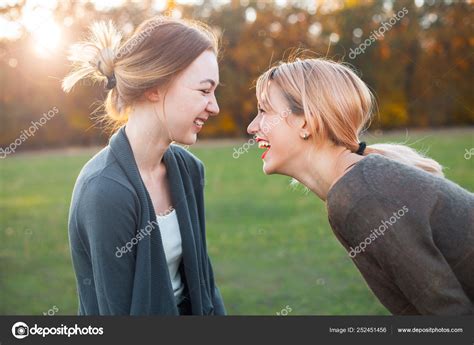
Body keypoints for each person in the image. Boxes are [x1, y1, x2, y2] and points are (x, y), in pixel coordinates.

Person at [247, 56, 474, 315]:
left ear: (306, 121)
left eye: (264, 111)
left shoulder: (361, 195)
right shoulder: (356, 185)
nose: (252, 127)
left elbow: (452, 319)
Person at [62, 16, 225, 315]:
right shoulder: (104, 192)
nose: (215, 107)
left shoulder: (189, 171)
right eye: (204, 91)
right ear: (156, 88)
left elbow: (203, 287)